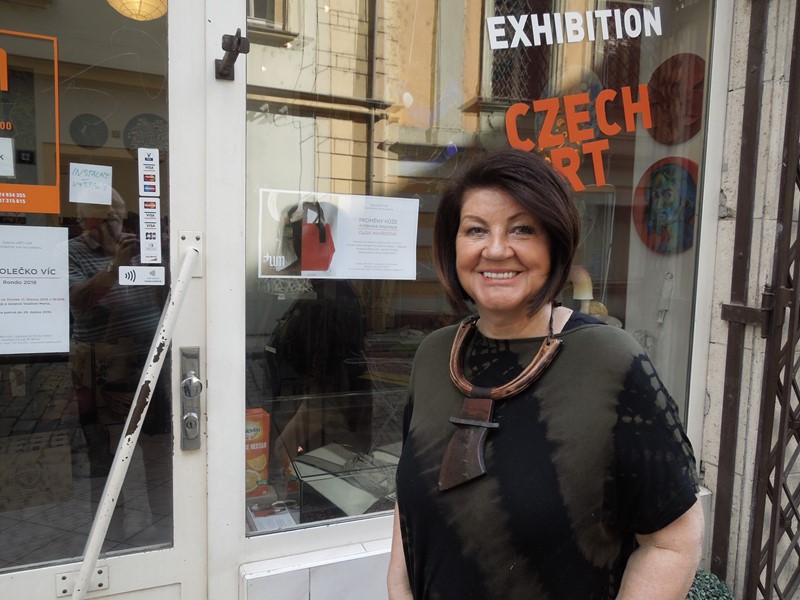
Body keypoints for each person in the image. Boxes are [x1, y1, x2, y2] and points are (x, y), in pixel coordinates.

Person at [387, 149, 704, 599]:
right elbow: (410, 498)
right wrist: (399, 588)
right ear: (451, 245)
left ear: (555, 243)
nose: (496, 249)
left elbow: (672, 542)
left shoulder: (609, 362)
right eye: (476, 229)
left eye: (522, 229)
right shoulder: (434, 355)